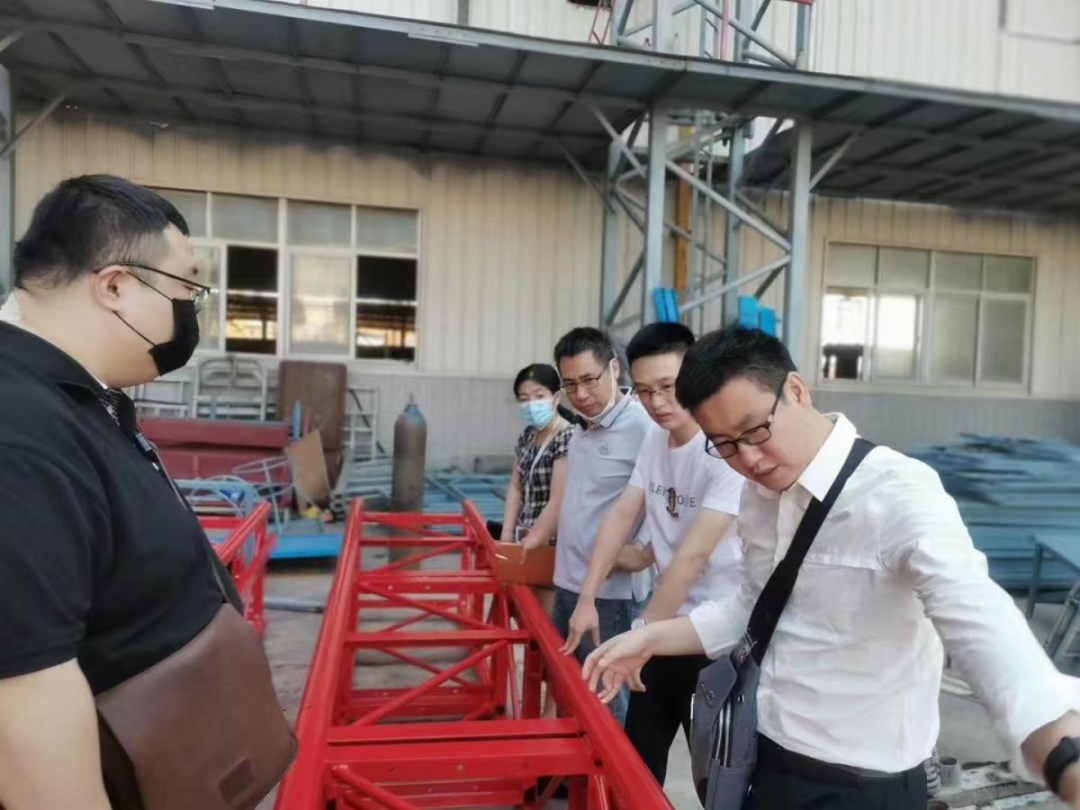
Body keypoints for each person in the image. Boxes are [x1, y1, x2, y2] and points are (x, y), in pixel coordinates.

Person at [583, 325, 1080, 809]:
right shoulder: (758, 497)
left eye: (755, 430)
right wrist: (650, 638)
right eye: (726, 445)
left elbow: (973, 609)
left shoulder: (897, 492)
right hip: (767, 760)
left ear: (797, 391)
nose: (749, 459)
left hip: (863, 786)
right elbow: (752, 609)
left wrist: (1054, 738)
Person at [0, 175, 251, 809]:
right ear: (114, 286)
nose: (191, 307)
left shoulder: (76, 395)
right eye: (187, 287)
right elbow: (25, 700)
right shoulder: (18, 431)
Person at [561, 322, 745, 786]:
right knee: (638, 758)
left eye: (668, 386)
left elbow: (691, 558)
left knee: (716, 777)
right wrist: (587, 599)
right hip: (666, 625)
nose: (657, 402)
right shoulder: (654, 441)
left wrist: (639, 636)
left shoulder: (723, 453)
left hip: (716, 639)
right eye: (644, 391)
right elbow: (621, 515)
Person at [523, 326, 653, 726]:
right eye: (570, 385)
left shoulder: (643, 428)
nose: (580, 394)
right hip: (568, 582)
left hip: (610, 595)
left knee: (606, 701)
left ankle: (606, 769)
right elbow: (571, 501)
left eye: (589, 380)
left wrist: (642, 552)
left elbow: (662, 499)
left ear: (614, 369)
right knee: (568, 687)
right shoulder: (581, 428)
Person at [496, 363, 575, 615]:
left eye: (539, 396)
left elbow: (558, 500)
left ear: (556, 397)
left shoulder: (567, 437)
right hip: (524, 539)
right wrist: (507, 536)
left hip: (552, 543)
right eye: (524, 399)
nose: (531, 404)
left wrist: (535, 539)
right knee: (523, 614)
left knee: (545, 618)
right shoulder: (528, 436)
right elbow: (515, 487)